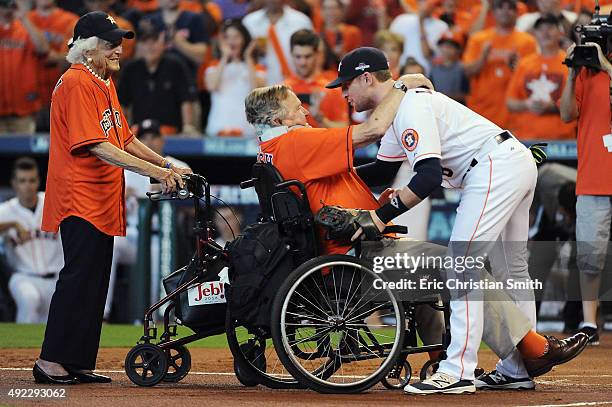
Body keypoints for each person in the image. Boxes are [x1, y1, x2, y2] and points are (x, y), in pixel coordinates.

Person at [326, 46, 589, 394]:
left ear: (366, 78)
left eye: (346, 84)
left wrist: (380, 215)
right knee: (511, 268)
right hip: (509, 161)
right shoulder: (396, 109)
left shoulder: (410, 107)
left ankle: (457, 370)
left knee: (461, 263)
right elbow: (384, 169)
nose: (343, 92)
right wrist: (329, 174)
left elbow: (428, 177)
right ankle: (516, 368)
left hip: (493, 166)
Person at [35, 11, 189, 385]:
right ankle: (50, 361)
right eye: (110, 43)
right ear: (88, 48)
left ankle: (76, 362)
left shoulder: (101, 82)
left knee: (94, 282)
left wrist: (167, 164)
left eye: (118, 41)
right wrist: (157, 173)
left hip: (101, 200)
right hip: (79, 197)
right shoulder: (75, 82)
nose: (119, 48)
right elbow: (98, 146)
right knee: (78, 278)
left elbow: (126, 138)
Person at [105, 119, 191, 320]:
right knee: (113, 244)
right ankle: (104, 314)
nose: (150, 142)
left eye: (154, 137)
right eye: (143, 138)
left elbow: (192, 208)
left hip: (164, 238)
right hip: (133, 235)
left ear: (162, 141)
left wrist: (172, 192)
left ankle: (153, 318)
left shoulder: (178, 166)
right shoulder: (126, 167)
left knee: (156, 259)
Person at [560, 40, 612, 346]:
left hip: (596, 175)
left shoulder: (603, 70)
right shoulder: (586, 74)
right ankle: (589, 321)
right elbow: (567, 113)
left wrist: (606, 67)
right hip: (594, 177)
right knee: (591, 256)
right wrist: (570, 73)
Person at [0, 158, 63, 323]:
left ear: (38, 182)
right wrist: (12, 224)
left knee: (56, 327)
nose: (27, 186)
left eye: (31, 180)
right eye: (22, 181)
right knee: (29, 299)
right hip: (23, 278)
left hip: (56, 277)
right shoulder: (6, 210)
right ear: (14, 183)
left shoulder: (53, 202)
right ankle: (19, 348)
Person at [463, 0, 537, 128]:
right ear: (493, 12)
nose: (505, 11)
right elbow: (467, 71)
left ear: (517, 13)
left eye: (510, 8)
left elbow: (531, 80)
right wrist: (483, 57)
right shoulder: (479, 39)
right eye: (500, 7)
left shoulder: (527, 41)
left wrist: (517, 67)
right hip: (482, 109)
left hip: (513, 113)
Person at [118, 22, 198, 135]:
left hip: (169, 131)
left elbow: (186, 100)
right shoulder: (130, 68)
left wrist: (188, 127)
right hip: (139, 133)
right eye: (145, 42)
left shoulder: (175, 65)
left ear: (164, 45)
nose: (150, 46)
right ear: (138, 46)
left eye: (154, 41)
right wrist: (121, 131)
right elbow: (122, 104)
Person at [506, 14, 576, 140]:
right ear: (535, 34)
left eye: (550, 28)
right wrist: (527, 104)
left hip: (562, 139)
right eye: (540, 29)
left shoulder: (570, 62)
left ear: (560, 33)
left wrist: (553, 107)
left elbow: (578, 102)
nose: (545, 33)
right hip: (526, 138)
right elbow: (510, 102)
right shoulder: (524, 64)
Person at [204, 19, 265, 137]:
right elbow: (212, 86)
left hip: (248, 129)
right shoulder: (214, 65)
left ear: (244, 40)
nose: (232, 41)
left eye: (236, 36)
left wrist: (248, 58)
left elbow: (257, 91)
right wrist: (224, 58)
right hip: (218, 127)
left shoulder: (257, 67)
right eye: (227, 37)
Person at [28, 0, 78, 131]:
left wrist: (52, 56)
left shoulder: (71, 21)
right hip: (30, 97)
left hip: (61, 93)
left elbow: (78, 57)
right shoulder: (24, 19)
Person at [0, 0, 48, 134]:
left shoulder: (25, 29)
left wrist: (23, 18)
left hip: (23, 110)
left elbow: (43, 49)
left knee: (25, 153)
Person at [284, 29, 348, 128]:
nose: (302, 63)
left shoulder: (332, 88)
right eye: (298, 57)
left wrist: (320, 118)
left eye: (307, 56)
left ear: (317, 55)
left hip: (325, 142)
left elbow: (344, 128)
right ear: (291, 55)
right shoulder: (283, 90)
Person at [242, 0, 313, 85]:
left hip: (296, 85)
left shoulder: (301, 21)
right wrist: (253, 52)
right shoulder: (249, 22)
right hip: (258, 86)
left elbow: (314, 52)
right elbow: (239, 56)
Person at [389, 0, 449, 73]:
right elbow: (388, 48)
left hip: (426, 75)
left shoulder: (442, 27)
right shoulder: (401, 20)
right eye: (422, 1)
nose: (426, 4)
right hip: (400, 74)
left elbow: (428, 54)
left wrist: (421, 22)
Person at [429, 31, 469, 104]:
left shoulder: (462, 68)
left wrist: (443, 96)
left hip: (457, 108)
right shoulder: (434, 69)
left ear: (458, 50)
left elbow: (465, 94)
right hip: (437, 107)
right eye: (444, 46)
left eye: (450, 46)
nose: (446, 49)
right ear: (439, 47)